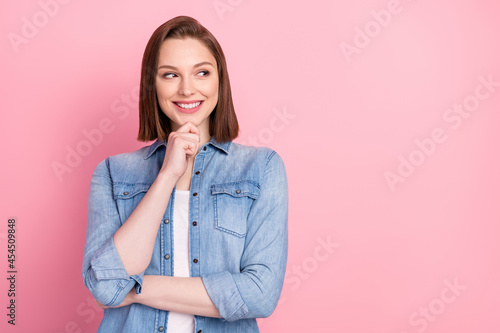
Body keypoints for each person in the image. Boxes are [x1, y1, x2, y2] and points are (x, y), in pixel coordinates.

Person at [82, 15, 288, 333]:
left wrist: (135, 289)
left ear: (220, 80)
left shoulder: (261, 169)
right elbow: (105, 288)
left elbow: (260, 295)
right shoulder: (113, 173)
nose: (187, 88)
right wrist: (167, 175)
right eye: (170, 75)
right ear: (153, 82)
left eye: (202, 73)